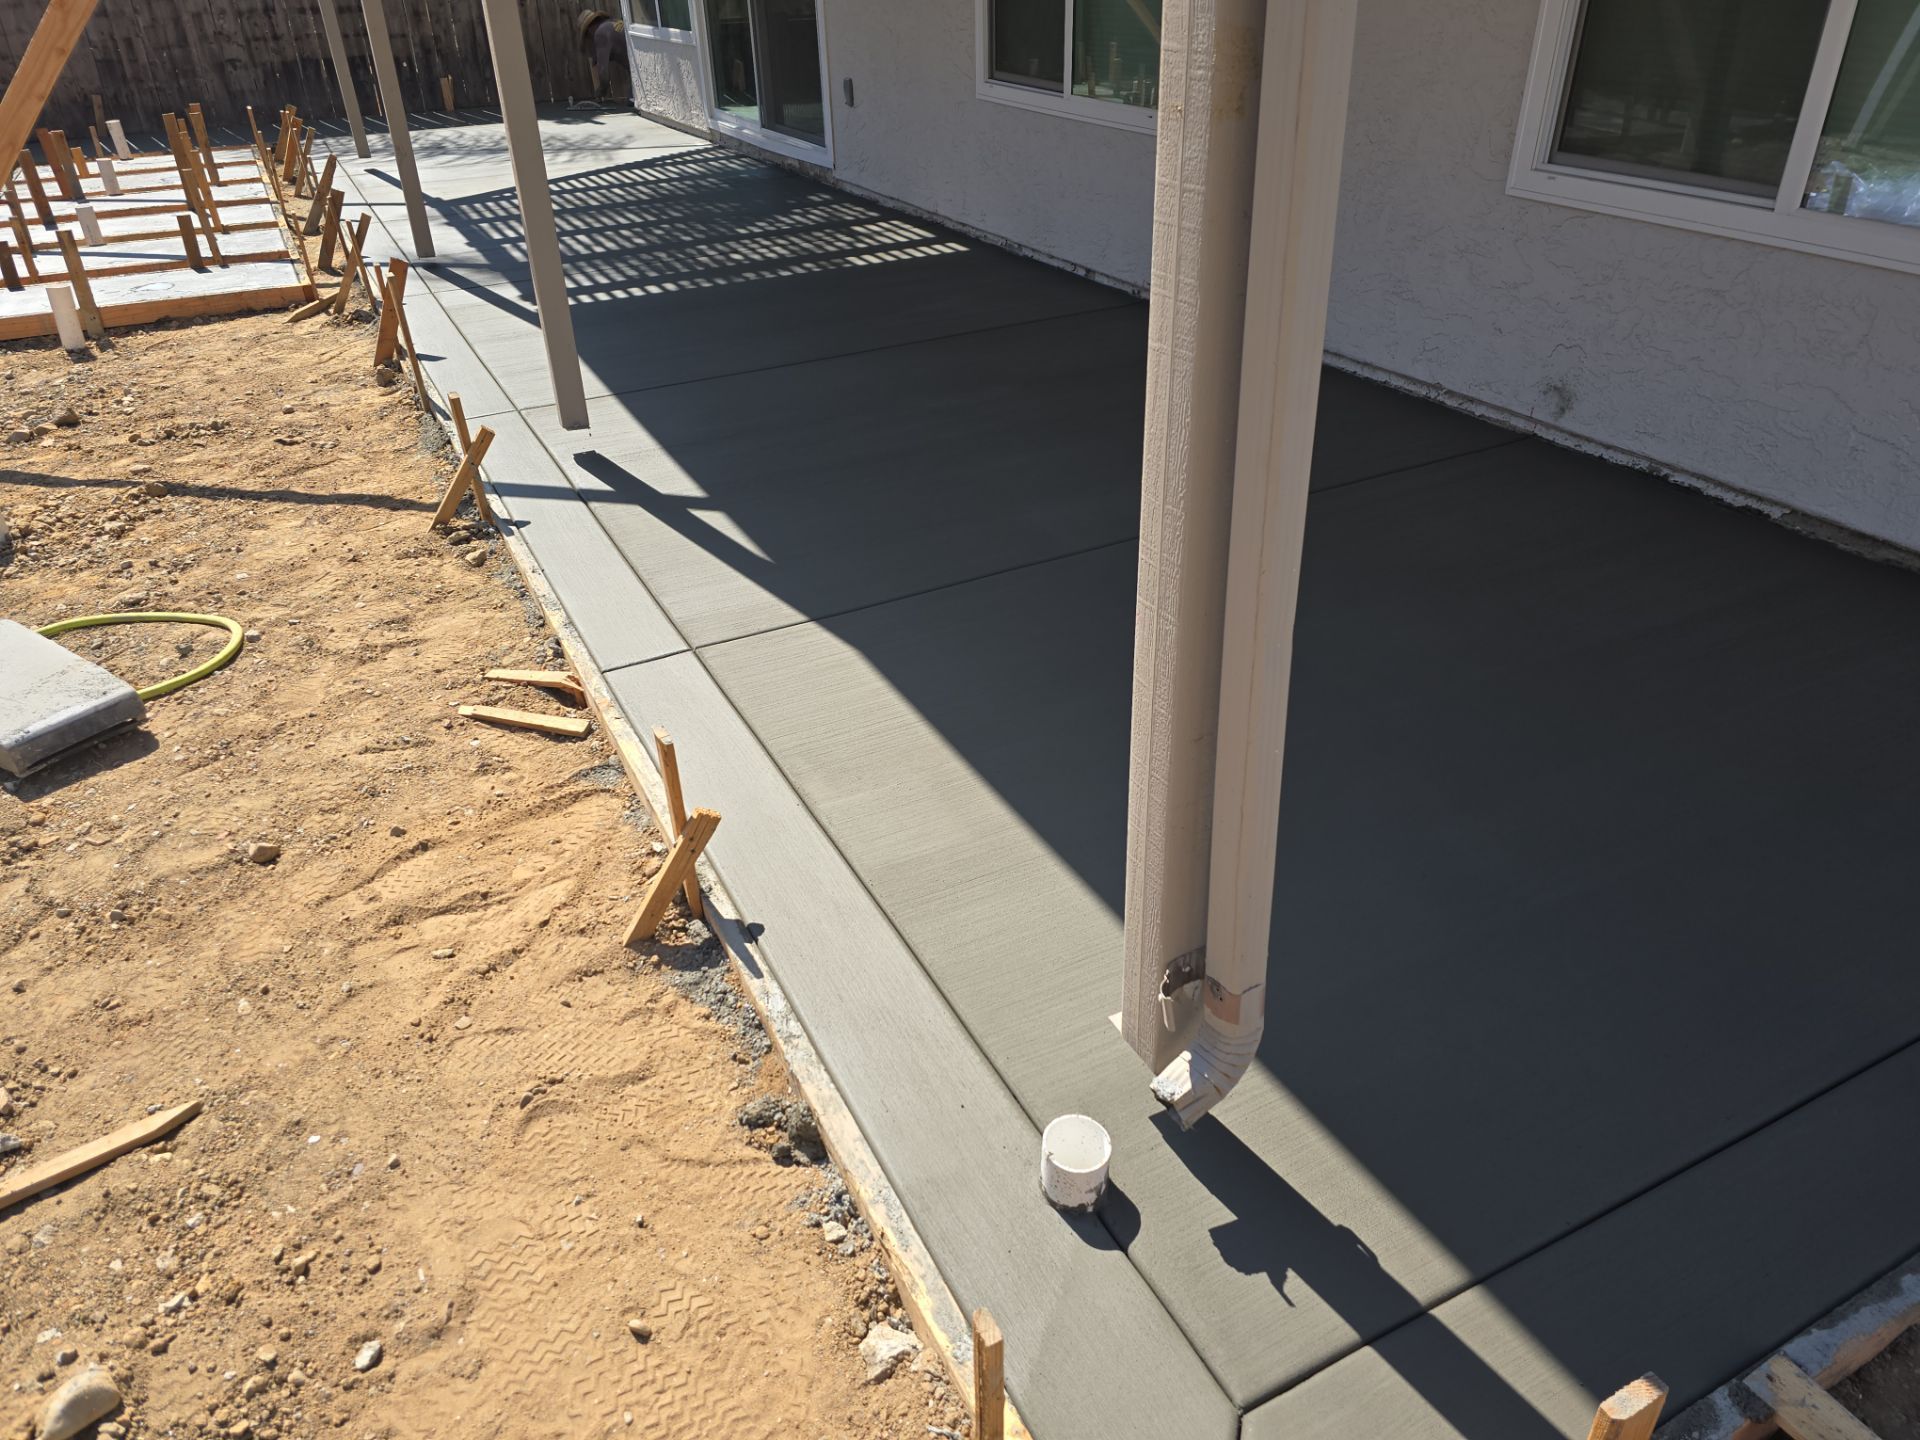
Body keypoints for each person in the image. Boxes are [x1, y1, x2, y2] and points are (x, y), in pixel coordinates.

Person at [577, 10, 629, 101]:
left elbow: (603, 73)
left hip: (642, 68)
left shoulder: (600, 34)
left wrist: (601, 91)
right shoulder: (610, 25)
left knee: (633, 103)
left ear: (588, 30)